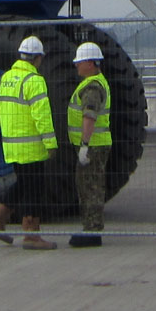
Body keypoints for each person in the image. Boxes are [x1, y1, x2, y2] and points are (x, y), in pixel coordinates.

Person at [0, 34, 58, 249]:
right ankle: (31, 236)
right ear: (36, 59)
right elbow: (42, 116)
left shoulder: (5, 79)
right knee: (34, 188)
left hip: (11, 147)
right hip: (32, 147)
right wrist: (51, 143)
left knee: (23, 184)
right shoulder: (34, 81)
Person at [66, 41, 112, 245]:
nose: (76, 65)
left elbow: (89, 116)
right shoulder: (95, 83)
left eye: (80, 62)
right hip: (95, 144)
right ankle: (90, 229)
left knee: (90, 187)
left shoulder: (92, 87)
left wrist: (84, 144)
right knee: (88, 185)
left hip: (93, 146)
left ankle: (92, 232)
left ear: (91, 63)